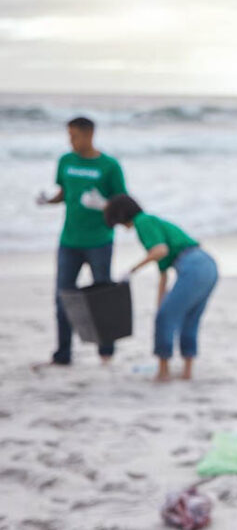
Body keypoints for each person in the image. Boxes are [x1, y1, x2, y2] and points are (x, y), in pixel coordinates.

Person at [36, 116, 128, 366]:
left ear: (89, 135)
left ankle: (106, 352)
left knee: (102, 295)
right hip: (69, 241)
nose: (71, 141)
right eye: (69, 135)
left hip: (99, 240)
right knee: (63, 297)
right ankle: (63, 354)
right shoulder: (66, 161)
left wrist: (103, 205)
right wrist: (48, 201)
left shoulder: (109, 166)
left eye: (74, 135)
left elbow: (123, 204)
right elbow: (64, 194)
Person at [103, 194, 218, 382]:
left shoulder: (143, 221)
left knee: (167, 318)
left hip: (192, 265)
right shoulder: (153, 222)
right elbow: (163, 274)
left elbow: (159, 251)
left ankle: (163, 371)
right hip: (208, 264)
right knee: (190, 318)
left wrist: (131, 270)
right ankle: (187, 372)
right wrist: (160, 306)